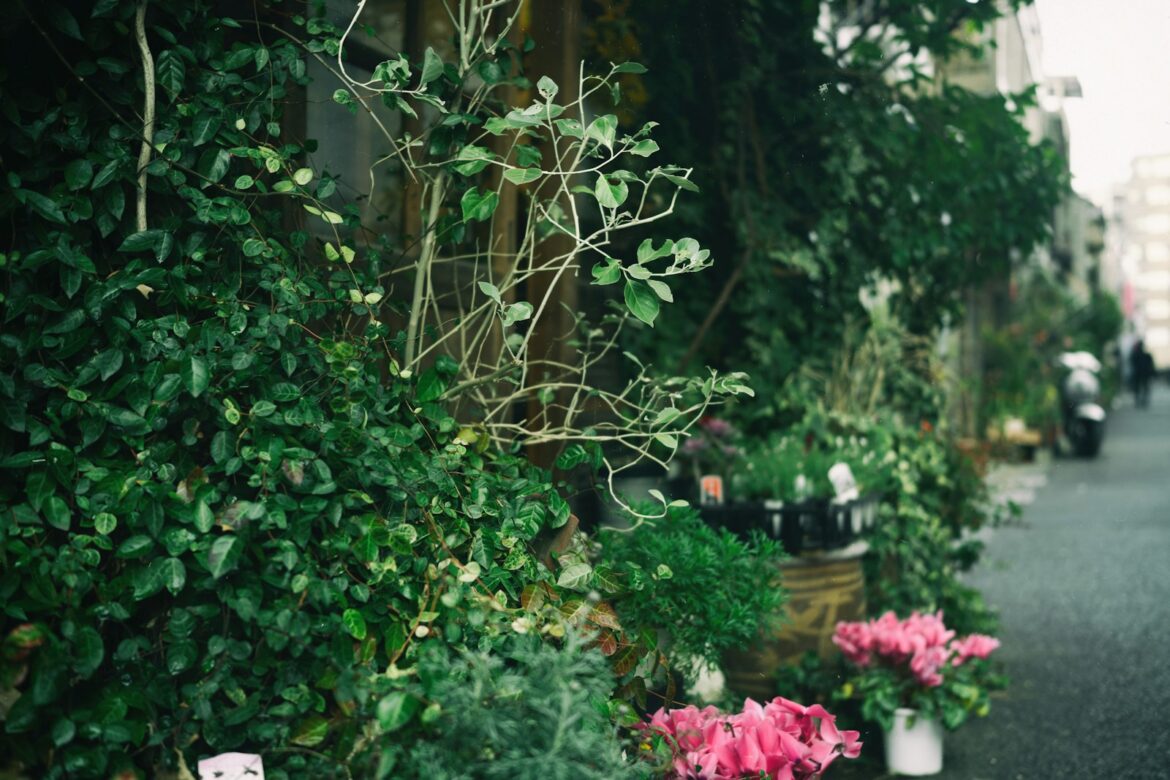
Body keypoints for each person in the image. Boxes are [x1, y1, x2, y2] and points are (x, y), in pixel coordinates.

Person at [1129, 338, 1156, 408]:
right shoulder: (1145, 355)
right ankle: (1141, 401)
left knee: (1141, 388)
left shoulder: (1137, 355)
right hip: (1142, 373)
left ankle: (1140, 401)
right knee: (1142, 388)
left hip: (1140, 373)